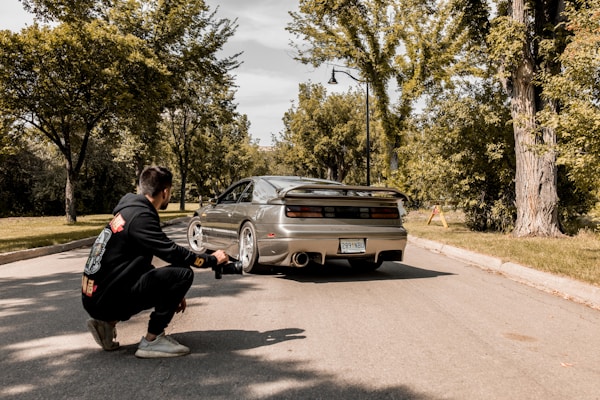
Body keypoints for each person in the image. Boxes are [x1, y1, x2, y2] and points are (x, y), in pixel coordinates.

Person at [81, 166, 229, 358]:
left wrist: (172, 293)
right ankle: (153, 340)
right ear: (165, 192)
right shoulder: (141, 217)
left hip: (95, 296)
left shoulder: (129, 212)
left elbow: (134, 264)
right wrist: (211, 260)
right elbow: (172, 252)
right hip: (105, 300)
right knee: (183, 273)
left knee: (176, 273)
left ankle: (106, 324)